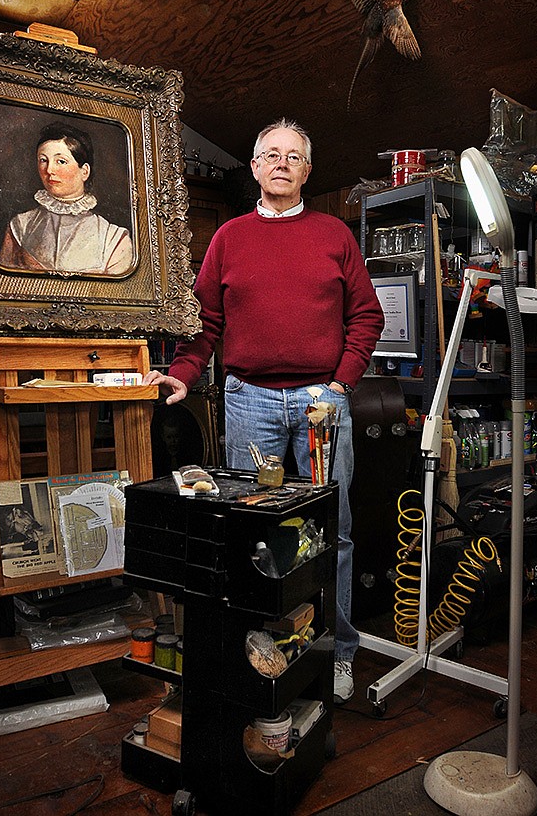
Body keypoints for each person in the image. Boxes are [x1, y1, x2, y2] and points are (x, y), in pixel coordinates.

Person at [143, 118, 384, 702]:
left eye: (293, 156)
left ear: (306, 170)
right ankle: (263, 651)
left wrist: (341, 387)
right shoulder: (228, 238)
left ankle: (337, 652)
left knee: (334, 532)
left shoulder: (334, 235)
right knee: (253, 529)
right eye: (270, 155)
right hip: (249, 402)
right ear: (254, 167)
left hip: (321, 405)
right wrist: (181, 375)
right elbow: (205, 324)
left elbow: (366, 316)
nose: (281, 163)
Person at [0, 121, 134, 276]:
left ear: (84, 171)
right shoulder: (20, 226)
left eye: (61, 161)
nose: (49, 170)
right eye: (43, 160)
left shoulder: (112, 238)